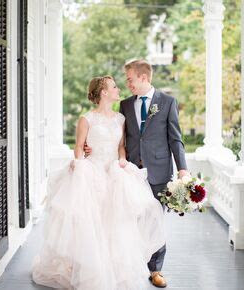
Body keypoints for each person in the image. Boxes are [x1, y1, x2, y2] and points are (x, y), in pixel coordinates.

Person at [32, 75, 165, 290]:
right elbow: (79, 145)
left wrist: (122, 159)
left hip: (114, 170)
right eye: (114, 87)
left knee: (115, 220)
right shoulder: (87, 118)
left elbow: (121, 146)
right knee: (91, 220)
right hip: (92, 170)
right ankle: (87, 268)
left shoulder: (120, 119)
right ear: (104, 92)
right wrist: (79, 162)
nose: (117, 89)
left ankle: (113, 268)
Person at [85, 60, 189, 288]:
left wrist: (182, 169)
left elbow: (175, 139)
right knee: (127, 221)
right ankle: (130, 265)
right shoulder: (124, 105)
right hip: (130, 172)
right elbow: (119, 139)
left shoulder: (168, 102)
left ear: (143, 77)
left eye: (130, 79)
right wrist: (90, 145)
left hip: (159, 173)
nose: (127, 83)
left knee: (156, 220)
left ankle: (156, 271)